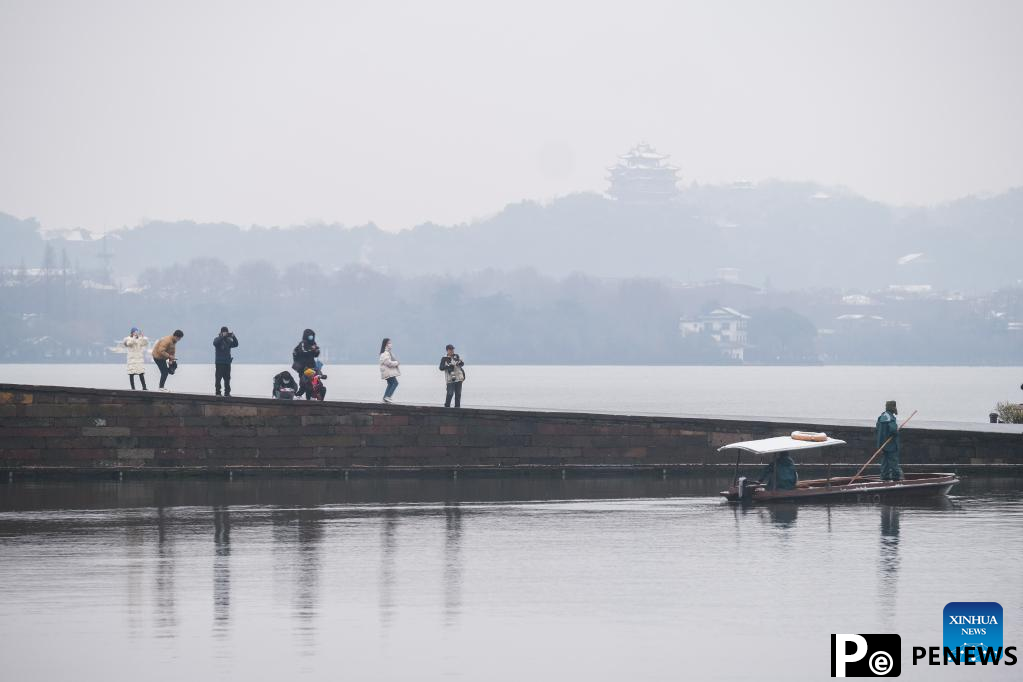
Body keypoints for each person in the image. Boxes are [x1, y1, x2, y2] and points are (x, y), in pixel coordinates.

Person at [876, 400, 903, 481]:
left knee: (884, 462)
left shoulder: (881, 416)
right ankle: (896, 478)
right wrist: (896, 432)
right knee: (893, 461)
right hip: (891, 444)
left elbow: (877, 428)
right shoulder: (890, 417)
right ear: (893, 407)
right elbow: (893, 430)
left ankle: (884, 477)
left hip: (881, 444)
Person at [212, 326, 239, 397]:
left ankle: (227, 393)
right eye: (224, 332)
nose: (226, 333)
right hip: (219, 363)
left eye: (226, 332)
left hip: (227, 363)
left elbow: (236, 344)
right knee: (218, 378)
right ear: (221, 332)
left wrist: (233, 336)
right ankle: (218, 393)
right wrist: (222, 337)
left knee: (227, 379)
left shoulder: (228, 341)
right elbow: (215, 343)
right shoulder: (217, 339)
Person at [379, 337, 400, 403]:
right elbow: (388, 363)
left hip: (387, 372)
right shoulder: (385, 353)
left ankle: (385, 398)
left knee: (390, 384)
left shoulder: (388, 352)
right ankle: (388, 397)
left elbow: (392, 359)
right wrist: (396, 363)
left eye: (391, 343)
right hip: (388, 372)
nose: (391, 344)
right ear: (386, 344)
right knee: (395, 383)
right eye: (389, 343)